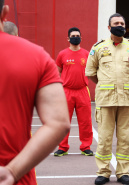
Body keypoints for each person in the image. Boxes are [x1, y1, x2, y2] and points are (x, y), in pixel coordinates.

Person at [0, 1, 71, 184]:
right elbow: (59, 123)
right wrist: (11, 173)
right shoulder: (36, 56)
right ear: (5, 12)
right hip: (15, 178)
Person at [85, 13, 129, 185]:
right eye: (116, 23)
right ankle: (103, 172)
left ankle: (123, 172)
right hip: (106, 100)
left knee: (126, 138)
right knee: (105, 138)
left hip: (128, 101)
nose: (120, 25)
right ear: (109, 27)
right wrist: (105, 84)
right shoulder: (98, 47)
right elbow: (90, 72)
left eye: (122, 23)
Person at [54, 27, 93, 157]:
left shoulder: (87, 54)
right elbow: (58, 71)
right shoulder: (62, 54)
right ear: (68, 38)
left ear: (81, 38)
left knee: (85, 121)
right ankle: (63, 147)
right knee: (64, 121)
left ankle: (85, 146)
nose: (75, 37)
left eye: (77, 35)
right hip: (67, 92)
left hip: (82, 91)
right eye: (73, 35)